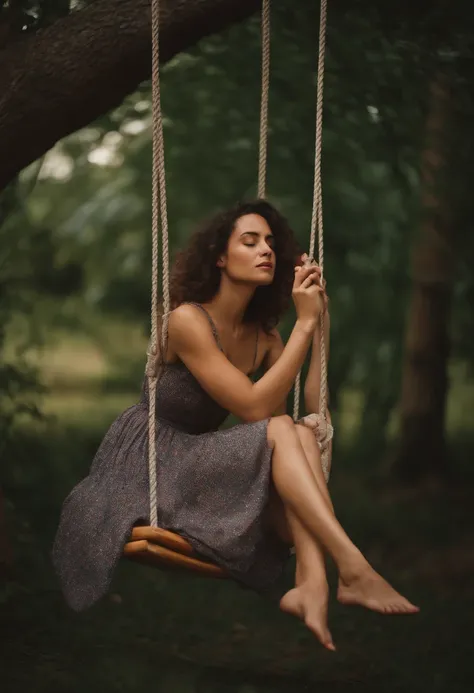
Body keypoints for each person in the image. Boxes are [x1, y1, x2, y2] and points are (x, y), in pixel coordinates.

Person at [52, 199, 418, 650]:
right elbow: (252, 408)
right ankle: (351, 567)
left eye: (269, 242)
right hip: (146, 461)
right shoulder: (187, 320)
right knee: (283, 429)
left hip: (194, 458)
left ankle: (311, 583)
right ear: (220, 257)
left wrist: (318, 323)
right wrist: (301, 327)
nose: (265, 249)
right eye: (250, 241)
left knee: (297, 431)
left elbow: (305, 404)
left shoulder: (263, 336)